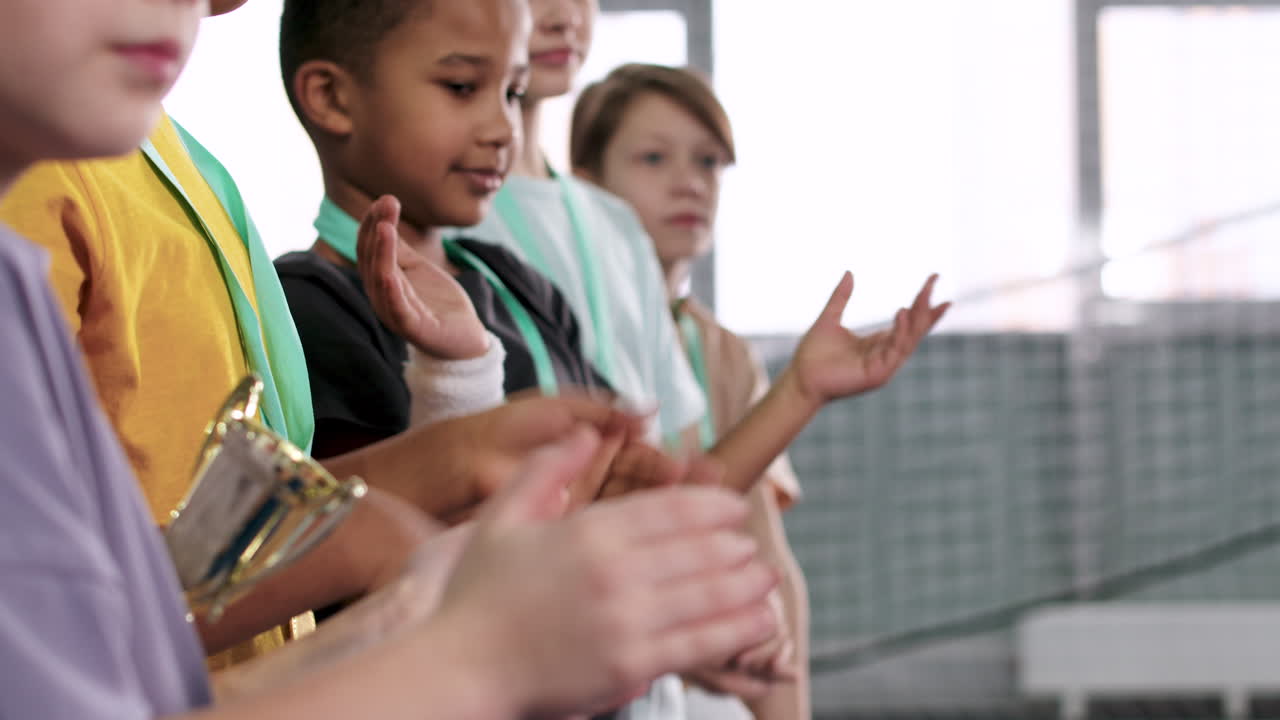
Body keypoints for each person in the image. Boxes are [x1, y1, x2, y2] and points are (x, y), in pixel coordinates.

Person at [0, 2, 783, 716]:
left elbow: (127, 608)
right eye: (459, 85)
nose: (499, 127)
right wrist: (477, 650)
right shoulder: (79, 193)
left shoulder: (162, 173)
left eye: (508, 92)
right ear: (332, 98)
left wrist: (446, 471)